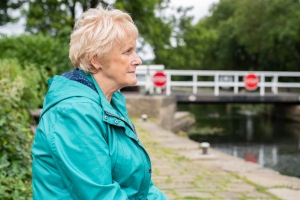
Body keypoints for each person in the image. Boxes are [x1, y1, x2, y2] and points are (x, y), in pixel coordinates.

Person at [31, 4, 168, 200]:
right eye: (127, 51)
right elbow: (100, 195)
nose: (138, 60)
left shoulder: (111, 102)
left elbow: (139, 188)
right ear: (96, 60)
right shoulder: (74, 112)